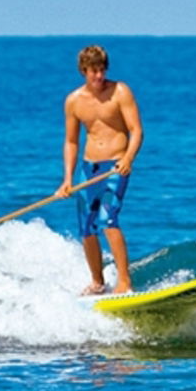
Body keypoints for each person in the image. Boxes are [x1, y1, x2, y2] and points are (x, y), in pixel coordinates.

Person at [57, 44, 143, 295]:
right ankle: (97, 282)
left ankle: (125, 280)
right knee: (87, 227)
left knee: (108, 219)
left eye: (102, 70)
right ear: (83, 70)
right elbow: (71, 142)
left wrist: (128, 159)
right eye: (93, 71)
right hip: (89, 168)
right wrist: (67, 179)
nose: (99, 76)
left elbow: (136, 130)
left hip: (116, 166)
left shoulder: (120, 92)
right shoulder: (73, 101)